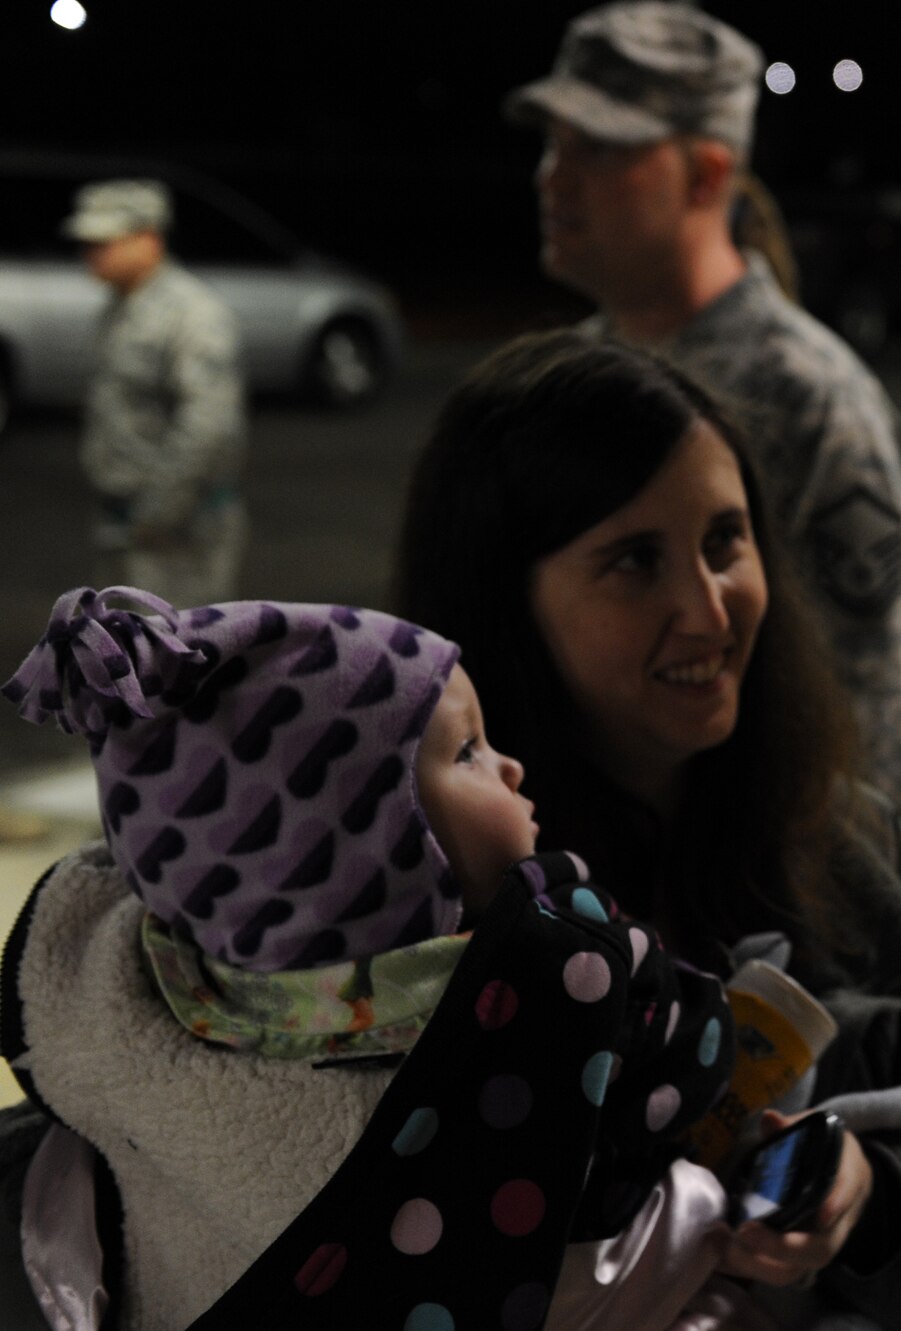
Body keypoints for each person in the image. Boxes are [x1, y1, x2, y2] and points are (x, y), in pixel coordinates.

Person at [394, 330, 901, 1330]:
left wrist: (874, 1201)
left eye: (724, 541)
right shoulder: (412, 891)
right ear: (505, 601)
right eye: (633, 560)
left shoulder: (843, 844)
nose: (708, 609)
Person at [0, 588, 737, 1329]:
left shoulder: (132, 1006)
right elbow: (697, 1053)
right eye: (468, 752)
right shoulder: (538, 989)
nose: (510, 768)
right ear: (364, 848)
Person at [505, 0, 901, 816]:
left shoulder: (806, 396)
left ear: (704, 175)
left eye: (596, 148)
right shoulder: (577, 373)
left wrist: (836, 928)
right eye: (552, 144)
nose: (552, 177)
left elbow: (874, 720)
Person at [65, 180, 248, 607]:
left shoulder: (193, 314)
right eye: (87, 242)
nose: (91, 253)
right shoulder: (117, 306)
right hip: (125, 521)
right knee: (121, 650)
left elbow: (209, 427)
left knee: (174, 655)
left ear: (147, 239)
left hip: (179, 534)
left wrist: (156, 516)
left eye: (104, 242)